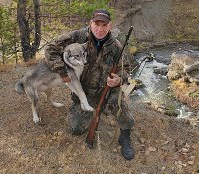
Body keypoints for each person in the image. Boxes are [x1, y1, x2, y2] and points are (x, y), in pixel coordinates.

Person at [44, 9, 135, 160]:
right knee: (75, 128)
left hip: (107, 90)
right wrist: (63, 72)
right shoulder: (77, 37)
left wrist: (118, 79)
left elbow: (125, 70)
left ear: (110, 26)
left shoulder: (116, 46)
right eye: (96, 24)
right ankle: (94, 112)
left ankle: (125, 136)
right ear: (90, 23)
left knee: (119, 105)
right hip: (83, 92)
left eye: (104, 25)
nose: (100, 29)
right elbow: (50, 49)